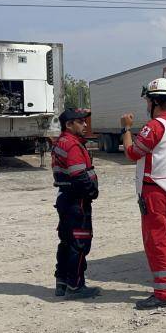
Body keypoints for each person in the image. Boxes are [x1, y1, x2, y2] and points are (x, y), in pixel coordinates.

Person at [121, 78, 166, 310]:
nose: (146, 105)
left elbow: (132, 153)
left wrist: (126, 129)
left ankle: (163, 293)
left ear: (155, 102)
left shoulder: (155, 126)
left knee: (156, 241)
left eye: (148, 101)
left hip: (155, 190)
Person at [51, 108, 101, 299]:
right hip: (77, 202)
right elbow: (79, 175)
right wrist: (92, 192)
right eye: (80, 121)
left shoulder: (60, 143)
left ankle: (62, 282)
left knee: (66, 241)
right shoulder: (72, 145)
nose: (85, 124)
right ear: (69, 125)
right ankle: (75, 286)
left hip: (65, 198)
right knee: (79, 243)